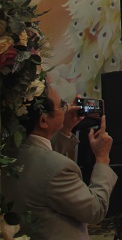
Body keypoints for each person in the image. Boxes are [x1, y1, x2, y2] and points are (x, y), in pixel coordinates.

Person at [1, 84, 116, 239]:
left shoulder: (8, 154)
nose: (67, 107)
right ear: (43, 120)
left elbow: (40, 161)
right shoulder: (60, 169)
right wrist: (102, 158)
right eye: (62, 104)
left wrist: (66, 127)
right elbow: (95, 210)